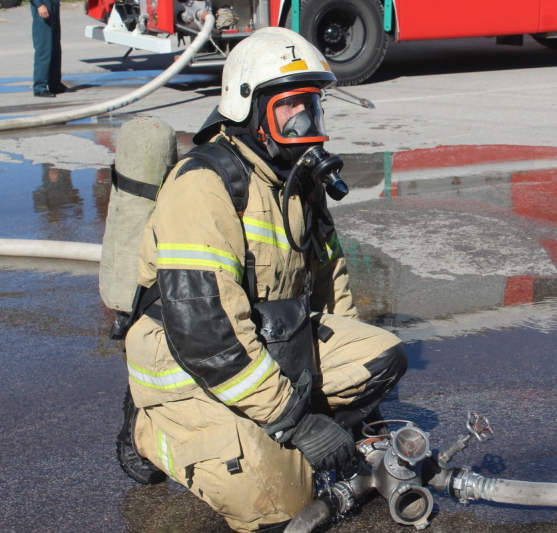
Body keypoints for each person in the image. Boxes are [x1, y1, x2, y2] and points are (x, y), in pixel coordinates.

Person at [116, 27, 407, 533]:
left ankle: (266, 423)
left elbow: (331, 287)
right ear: (249, 110)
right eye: (290, 108)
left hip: (267, 341)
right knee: (281, 503)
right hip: (188, 359)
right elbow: (208, 334)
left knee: (381, 359)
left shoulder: (296, 182)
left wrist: (362, 413)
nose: (305, 123)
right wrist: (296, 422)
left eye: (312, 107)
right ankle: (151, 429)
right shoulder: (205, 186)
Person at [30, 0, 66, 97]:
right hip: (43, 5)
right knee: (44, 48)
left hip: (53, 5)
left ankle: (55, 84)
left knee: (55, 48)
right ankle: (40, 88)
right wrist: (39, 5)